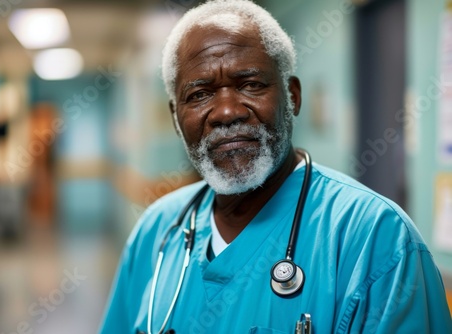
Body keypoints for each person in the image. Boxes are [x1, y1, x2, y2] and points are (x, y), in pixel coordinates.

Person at [100, 0, 452, 333]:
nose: (227, 112)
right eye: (200, 94)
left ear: (293, 97)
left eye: (251, 84)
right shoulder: (156, 233)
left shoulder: (376, 239)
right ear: (176, 120)